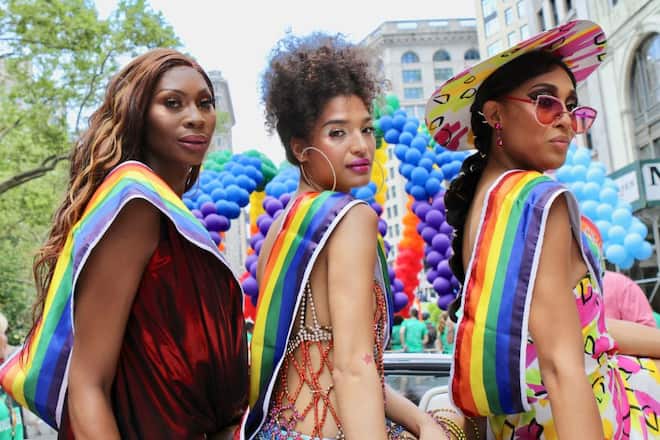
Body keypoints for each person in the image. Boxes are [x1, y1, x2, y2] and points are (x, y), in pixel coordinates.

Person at [426, 19, 660, 439]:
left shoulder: (489, 201)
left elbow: (584, 329)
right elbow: (560, 365)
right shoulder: (537, 200)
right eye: (545, 102)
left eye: (572, 106)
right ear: (495, 114)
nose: (566, 120)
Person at [0, 48, 248, 438]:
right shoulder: (135, 203)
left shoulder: (164, 210)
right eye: (172, 103)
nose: (196, 117)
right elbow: (86, 384)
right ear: (137, 113)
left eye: (205, 103)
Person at [242, 33, 455, 440]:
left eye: (366, 129)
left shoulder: (281, 231)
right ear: (301, 147)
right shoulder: (350, 218)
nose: (361, 146)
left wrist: (421, 421)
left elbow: (336, 361)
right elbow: (353, 366)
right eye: (338, 133)